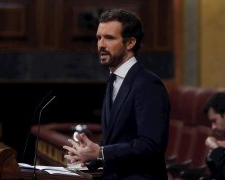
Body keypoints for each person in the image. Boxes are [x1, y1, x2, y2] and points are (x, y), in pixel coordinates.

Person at [63, 8, 170, 179]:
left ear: (130, 43)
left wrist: (101, 152)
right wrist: (88, 156)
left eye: (109, 38)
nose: (101, 45)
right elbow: (115, 140)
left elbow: (151, 145)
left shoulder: (148, 84)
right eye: (99, 38)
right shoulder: (114, 80)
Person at [203, 92, 225, 180]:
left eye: (214, 121)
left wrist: (216, 148)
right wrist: (216, 151)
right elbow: (220, 170)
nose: (213, 127)